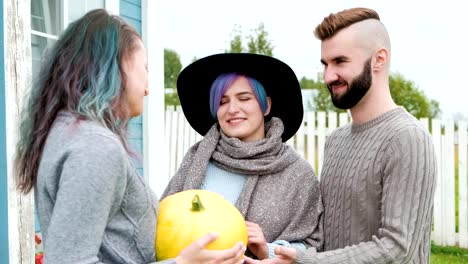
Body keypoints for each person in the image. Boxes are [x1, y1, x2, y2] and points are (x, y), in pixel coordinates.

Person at [14, 9, 244, 264]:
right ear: (120, 66)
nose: (147, 88)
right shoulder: (95, 147)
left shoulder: (66, 132)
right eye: (144, 68)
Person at [245, 7, 437, 264]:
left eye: (340, 62)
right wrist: (274, 252)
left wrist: (307, 262)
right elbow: (327, 238)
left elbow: (397, 249)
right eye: (325, 64)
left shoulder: (407, 139)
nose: (328, 76)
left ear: (379, 59)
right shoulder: (336, 141)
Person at [161, 53, 324, 260]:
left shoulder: (296, 173)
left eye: (244, 98)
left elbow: (312, 245)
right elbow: (163, 221)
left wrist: (270, 249)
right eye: (222, 101)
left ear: (266, 105)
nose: (232, 109)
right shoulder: (198, 159)